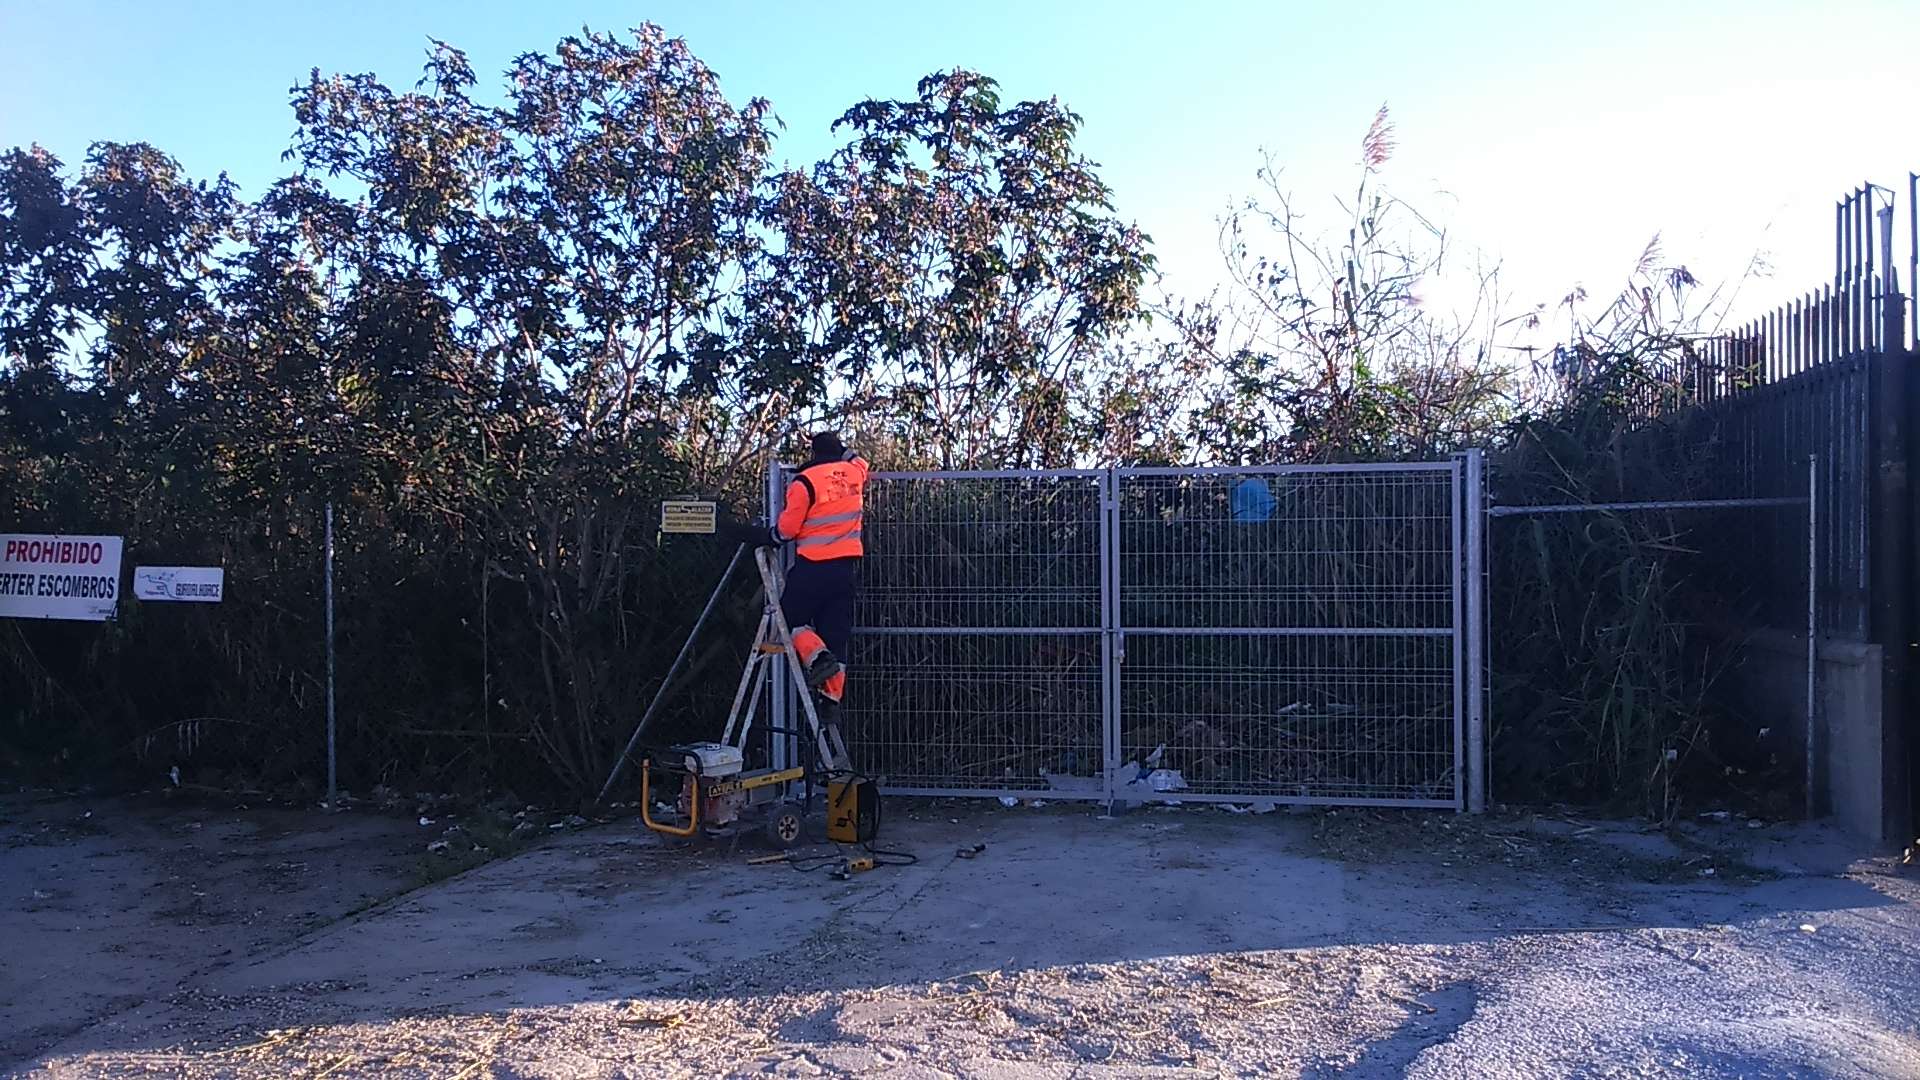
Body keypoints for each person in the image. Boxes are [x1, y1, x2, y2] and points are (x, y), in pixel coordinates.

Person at [727, 433, 869, 703]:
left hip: (813, 568)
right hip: (845, 570)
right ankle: (831, 701)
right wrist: (844, 451)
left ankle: (818, 658)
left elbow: (786, 531)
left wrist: (754, 534)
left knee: (788, 622)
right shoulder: (855, 473)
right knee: (835, 634)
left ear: (813, 453)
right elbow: (862, 461)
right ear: (838, 451)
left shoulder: (804, 482)